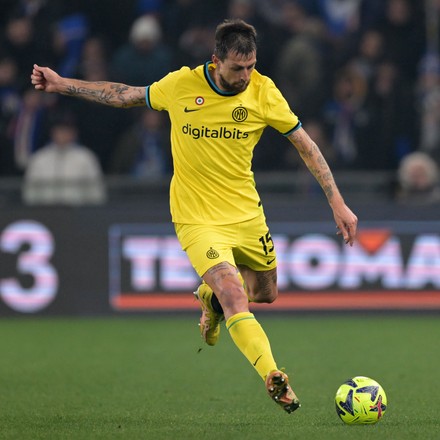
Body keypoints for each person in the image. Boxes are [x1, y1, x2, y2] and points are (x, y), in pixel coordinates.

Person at [31, 18, 357, 413]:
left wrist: (337, 202)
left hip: (245, 214)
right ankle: (273, 376)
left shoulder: (264, 91)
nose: (246, 75)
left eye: (252, 66)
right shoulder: (180, 85)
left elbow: (305, 145)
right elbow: (123, 94)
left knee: (265, 293)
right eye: (238, 68)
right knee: (235, 293)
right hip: (196, 217)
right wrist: (62, 83)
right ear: (215, 60)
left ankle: (209, 300)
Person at [22, 119, 107, 206]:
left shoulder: (86, 158)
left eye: (66, 131)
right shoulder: (39, 158)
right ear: (52, 133)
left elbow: (96, 191)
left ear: (74, 133)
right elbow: (30, 191)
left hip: (78, 212)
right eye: (59, 131)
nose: (62, 135)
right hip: (44, 212)